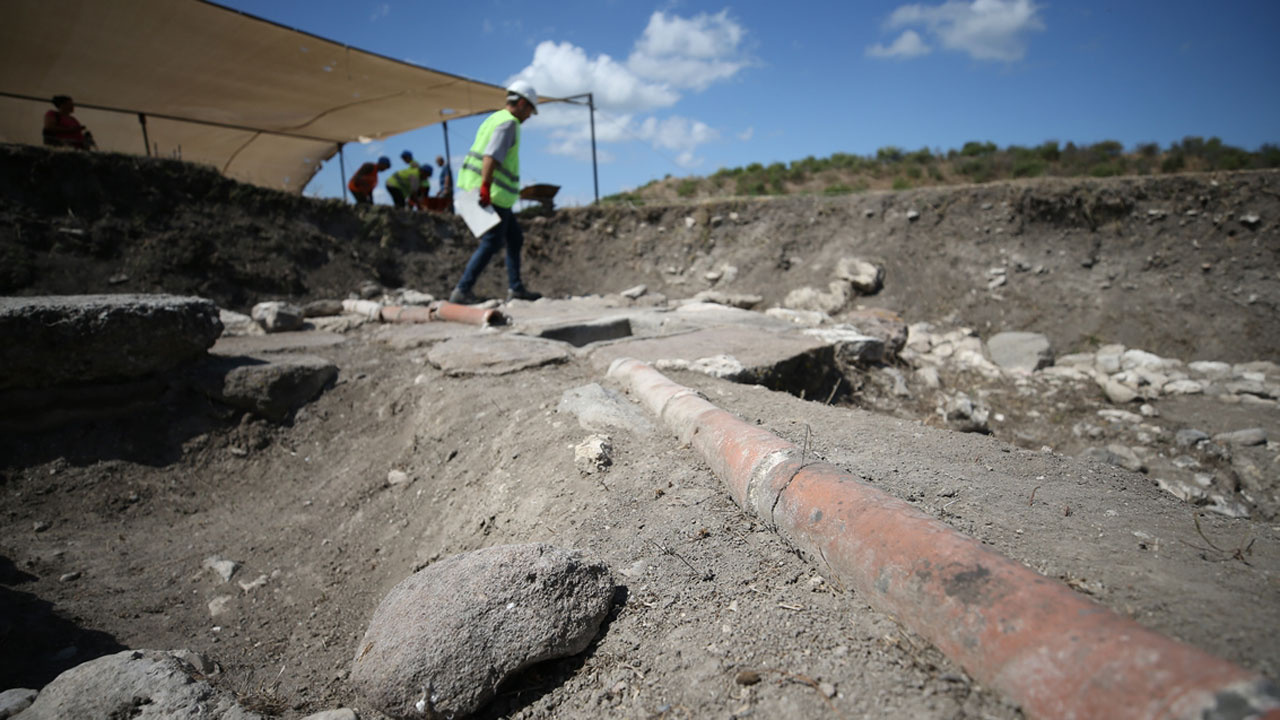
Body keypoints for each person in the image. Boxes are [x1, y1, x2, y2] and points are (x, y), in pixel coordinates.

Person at [449, 80, 542, 304]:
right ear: (521, 103)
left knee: (515, 238)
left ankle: (516, 288)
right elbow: (491, 156)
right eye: (529, 109)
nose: (529, 116)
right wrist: (485, 187)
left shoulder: (495, 118)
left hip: (492, 192)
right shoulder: (509, 123)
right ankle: (462, 290)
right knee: (492, 242)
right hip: (493, 193)